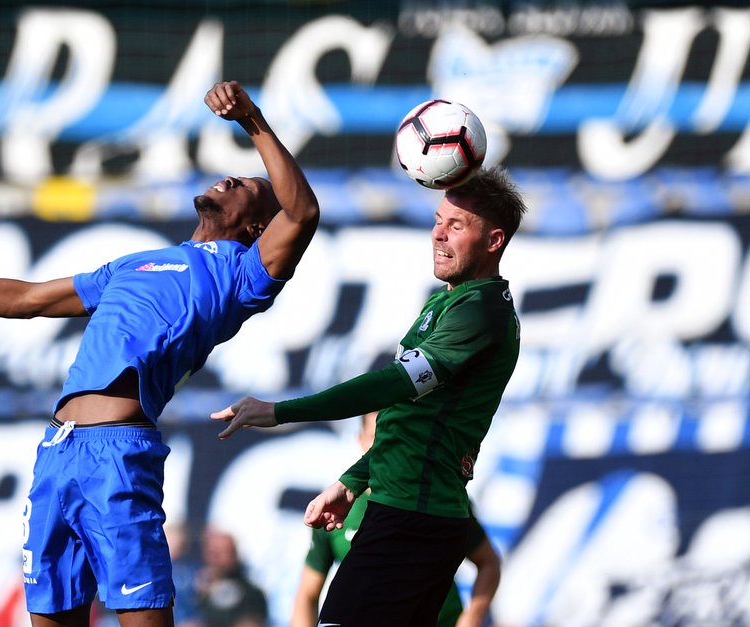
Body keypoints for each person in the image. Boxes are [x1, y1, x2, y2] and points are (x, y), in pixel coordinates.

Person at [0, 80, 320, 627]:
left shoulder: (241, 277)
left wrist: (251, 119)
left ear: (258, 225)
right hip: (56, 454)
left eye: (248, 189)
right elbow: (24, 298)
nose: (232, 178)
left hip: (118, 455)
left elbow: (302, 210)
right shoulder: (133, 263)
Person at [213, 166, 525, 626]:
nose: (438, 234)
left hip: (414, 518)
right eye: (438, 220)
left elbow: (394, 384)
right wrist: (352, 481)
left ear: (494, 240)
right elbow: (407, 419)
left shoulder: (480, 311)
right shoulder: (448, 301)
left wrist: (282, 411)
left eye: (456, 226)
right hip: (404, 510)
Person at [289, 411, 502, 627]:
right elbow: (307, 594)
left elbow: (488, 563)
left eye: (394, 436)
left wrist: (471, 618)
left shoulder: (441, 498)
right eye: (378, 438)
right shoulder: (337, 510)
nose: (386, 447)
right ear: (360, 440)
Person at [196, 527, 268, 627]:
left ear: (234, 554)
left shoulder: (252, 595)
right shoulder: (193, 592)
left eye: (222, 552)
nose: (215, 558)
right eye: (212, 553)